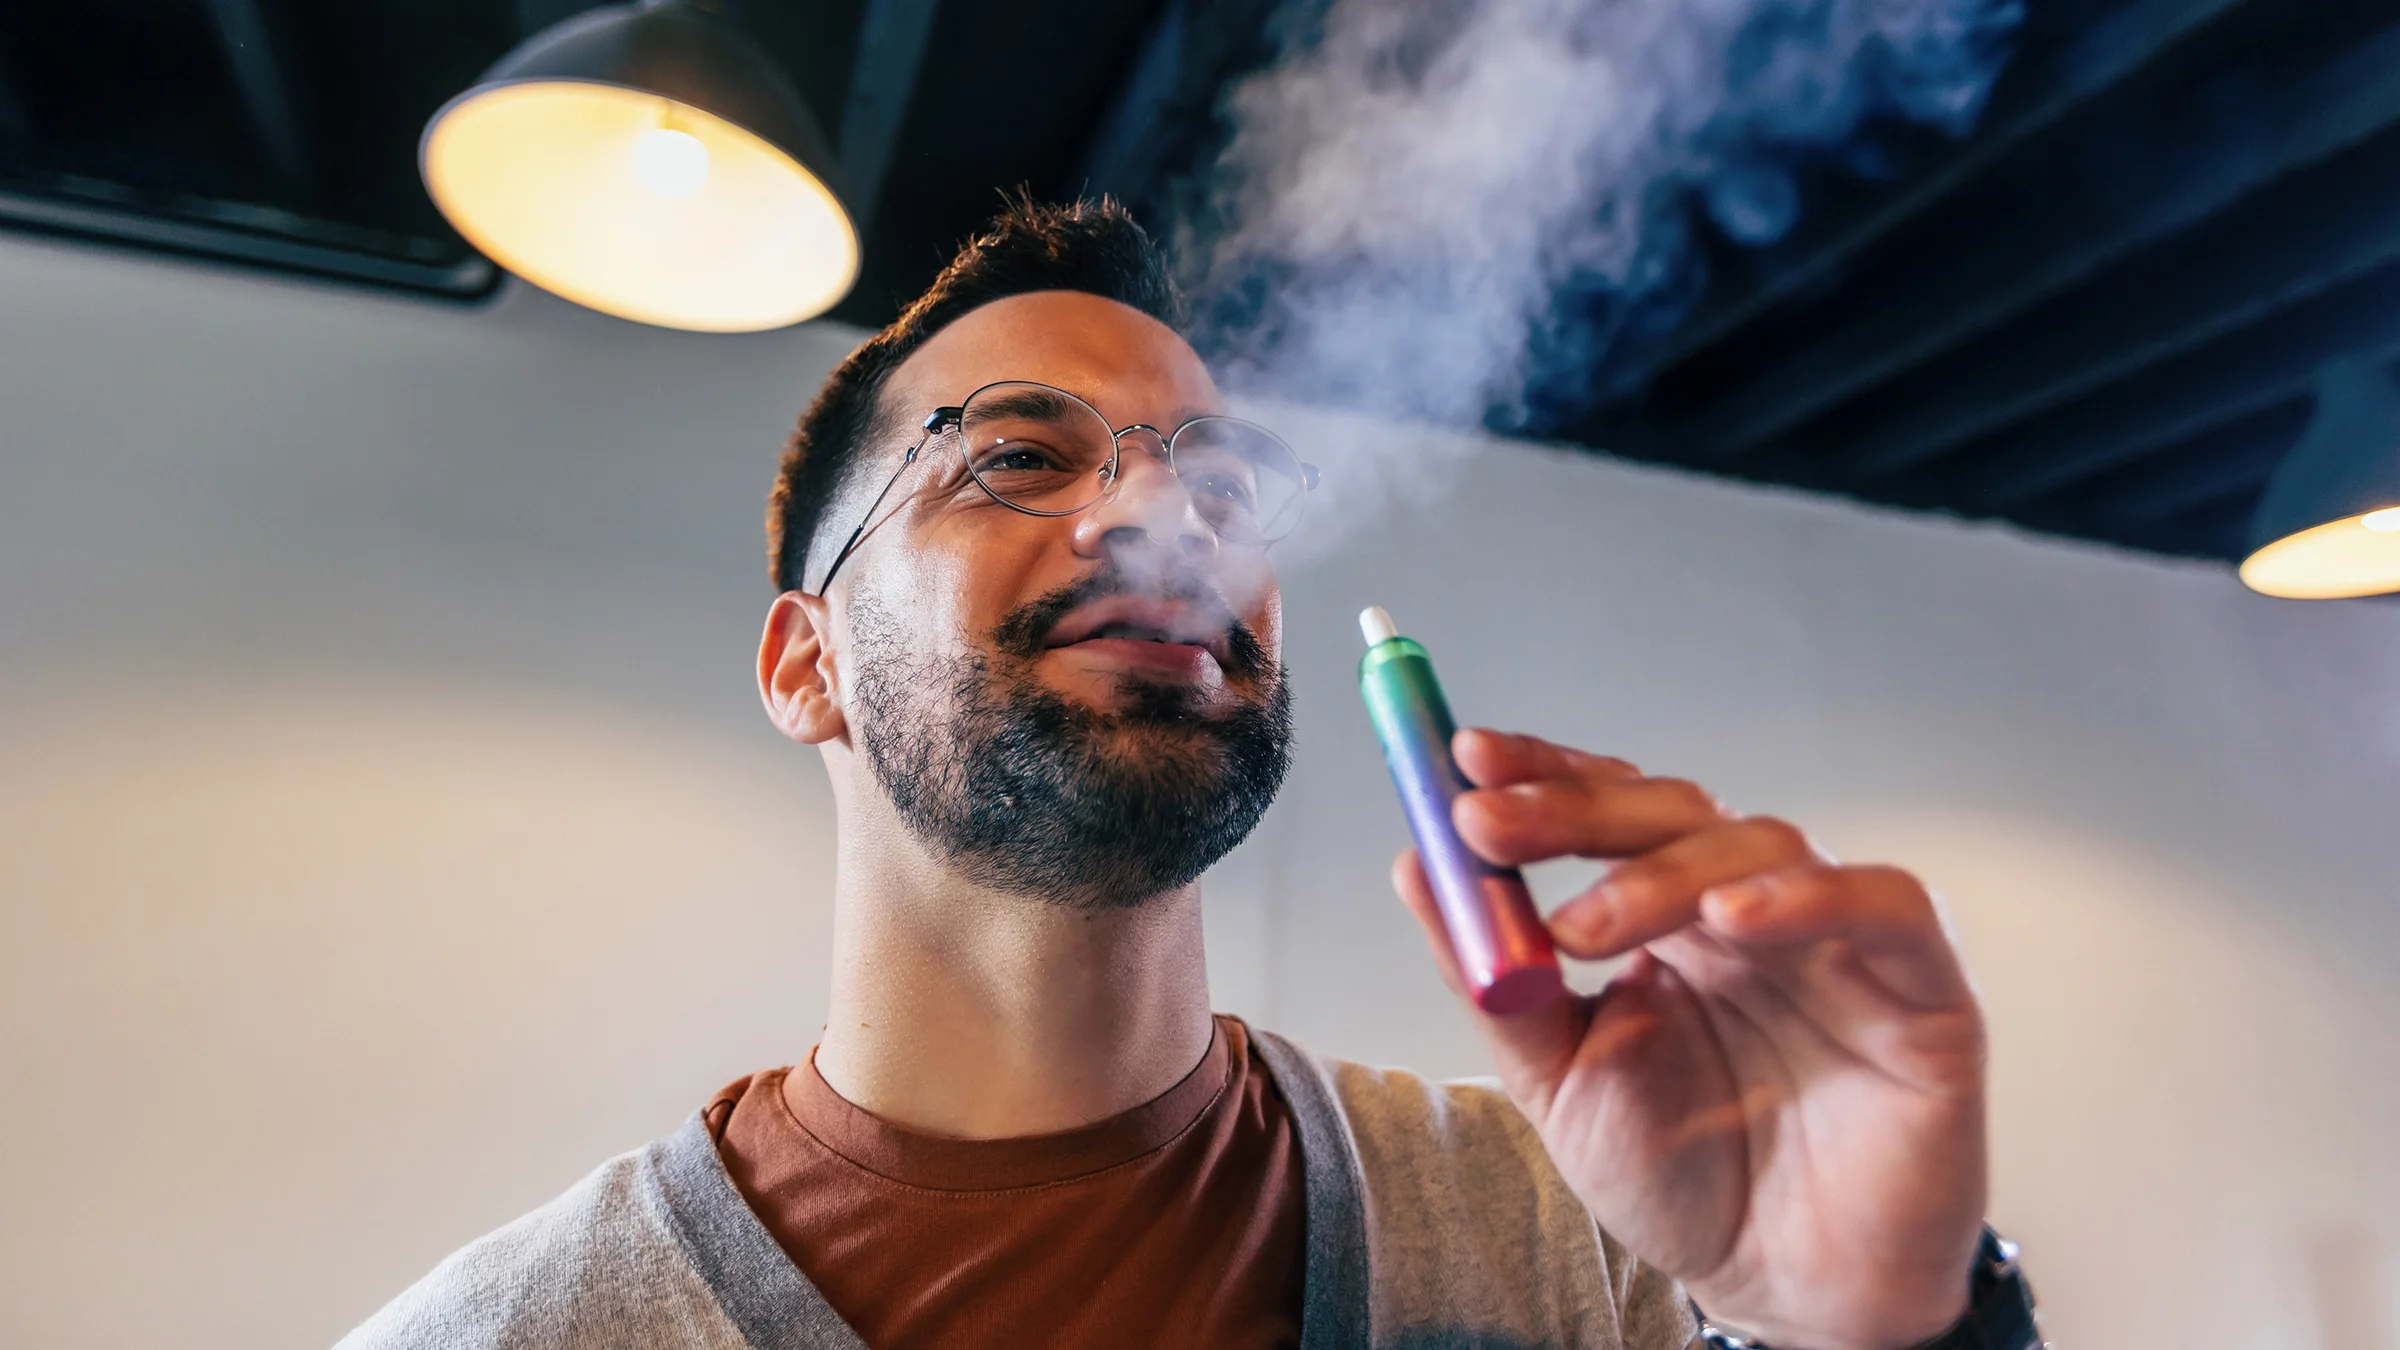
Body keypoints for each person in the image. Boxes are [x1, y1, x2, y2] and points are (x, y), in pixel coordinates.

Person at [339, 199, 2042, 1350]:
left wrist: (1892, 1323)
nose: (1161, 520)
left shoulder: (1579, 1234)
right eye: (1016, 454)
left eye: (1222, 490)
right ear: (807, 664)